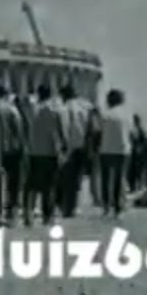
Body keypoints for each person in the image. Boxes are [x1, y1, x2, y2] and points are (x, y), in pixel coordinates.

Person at [25, 84, 67, 226]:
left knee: (32, 185)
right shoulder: (54, 109)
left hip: (33, 151)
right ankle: (47, 216)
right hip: (49, 151)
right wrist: (63, 147)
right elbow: (59, 130)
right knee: (49, 186)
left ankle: (28, 213)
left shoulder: (33, 109)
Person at [0, 83, 27, 225]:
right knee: (14, 182)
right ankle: (12, 212)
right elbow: (18, 129)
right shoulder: (11, 109)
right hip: (12, 150)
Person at [55, 83, 91, 218]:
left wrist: (63, 146)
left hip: (70, 147)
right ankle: (73, 206)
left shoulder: (65, 108)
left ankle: (66, 207)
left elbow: (65, 127)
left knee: (66, 179)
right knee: (77, 180)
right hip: (83, 147)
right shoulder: (85, 107)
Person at [96, 89, 133, 218]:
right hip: (122, 149)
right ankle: (118, 208)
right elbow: (131, 132)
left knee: (105, 180)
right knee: (119, 179)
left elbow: (98, 131)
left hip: (105, 149)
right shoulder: (127, 115)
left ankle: (106, 206)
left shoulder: (104, 115)